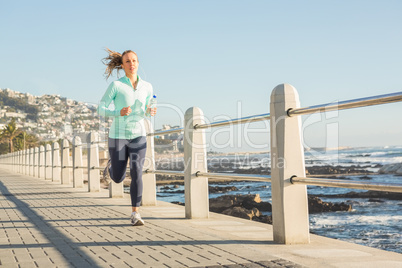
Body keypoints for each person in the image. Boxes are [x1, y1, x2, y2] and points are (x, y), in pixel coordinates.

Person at [97, 48, 157, 226]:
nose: (132, 64)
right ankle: (111, 167)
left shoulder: (147, 86)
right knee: (117, 178)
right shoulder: (116, 86)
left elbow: (148, 106)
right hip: (118, 136)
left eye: (135, 60)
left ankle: (135, 213)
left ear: (138, 63)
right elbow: (101, 109)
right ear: (122, 65)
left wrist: (150, 110)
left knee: (138, 171)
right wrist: (118, 112)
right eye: (128, 61)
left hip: (138, 135)